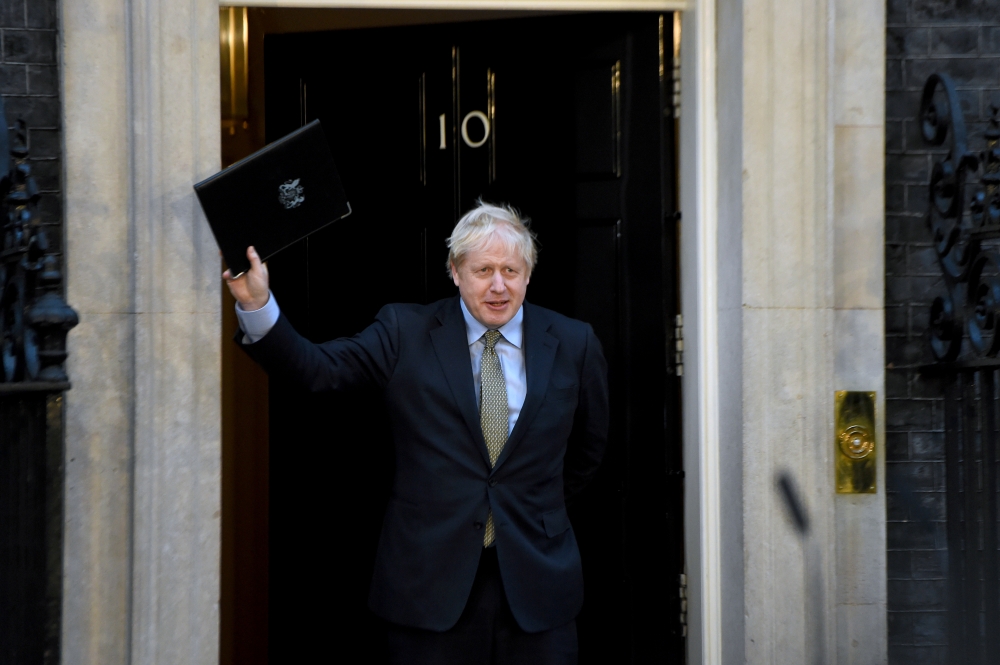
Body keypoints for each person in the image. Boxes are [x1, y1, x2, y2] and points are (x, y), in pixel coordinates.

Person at [224, 201, 608, 665]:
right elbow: (318, 371)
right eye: (483, 269)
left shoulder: (573, 342)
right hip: (429, 591)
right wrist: (256, 304)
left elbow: (589, 448)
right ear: (454, 271)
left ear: (528, 273)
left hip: (538, 590)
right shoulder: (404, 331)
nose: (499, 285)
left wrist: (533, 504)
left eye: (511, 269)